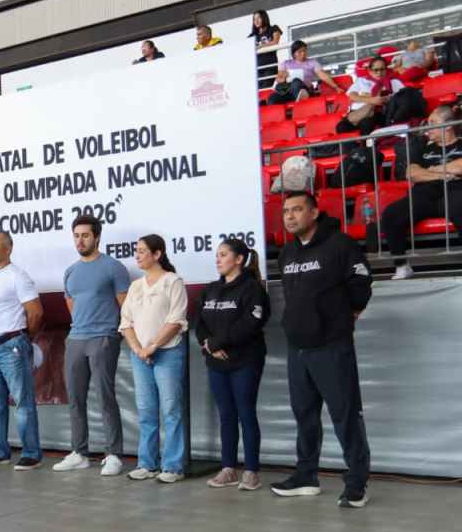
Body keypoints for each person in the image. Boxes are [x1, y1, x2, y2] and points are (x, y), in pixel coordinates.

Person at [272, 191, 373, 508]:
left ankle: (356, 484)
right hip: (298, 348)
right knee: (304, 416)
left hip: (332, 346)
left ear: (314, 213)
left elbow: (361, 283)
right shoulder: (286, 252)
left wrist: (347, 314)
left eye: (297, 210)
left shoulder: (340, 245)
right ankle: (306, 477)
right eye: (286, 211)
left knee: (345, 415)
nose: (290, 216)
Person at [53, 216, 131, 476]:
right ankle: (79, 452)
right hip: (77, 338)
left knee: (105, 397)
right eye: (76, 235)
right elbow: (72, 305)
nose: (80, 240)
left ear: (96, 237)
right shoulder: (71, 271)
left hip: (104, 337)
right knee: (75, 398)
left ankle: (114, 454)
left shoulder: (113, 267)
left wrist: (113, 334)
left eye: (85, 235)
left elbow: (127, 307)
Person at [194, 239, 270, 491]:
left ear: (238, 259)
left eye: (223, 254)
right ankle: (228, 468)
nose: (218, 259)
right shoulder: (210, 289)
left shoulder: (252, 289)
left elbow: (251, 323)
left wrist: (218, 342)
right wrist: (209, 345)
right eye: (217, 255)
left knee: (245, 413)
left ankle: (251, 471)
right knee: (226, 415)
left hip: (245, 360)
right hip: (216, 362)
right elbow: (200, 322)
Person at [119, 235, 188, 483]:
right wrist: (138, 348)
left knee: (171, 409)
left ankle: (173, 466)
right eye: (135, 251)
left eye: (142, 251)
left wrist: (152, 346)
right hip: (140, 356)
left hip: (167, 352)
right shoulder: (136, 286)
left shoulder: (172, 282)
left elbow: (175, 320)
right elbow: (126, 322)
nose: (137, 255)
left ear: (157, 254)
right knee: (146, 410)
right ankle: (147, 463)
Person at [0, 231, 44, 470]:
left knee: (23, 402)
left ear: (8, 248)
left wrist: (23, 339)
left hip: (12, 346)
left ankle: (31, 453)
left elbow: (35, 312)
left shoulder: (18, 276)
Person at [383, 105, 462, 280]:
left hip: (455, 191)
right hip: (425, 195)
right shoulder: (423, 148)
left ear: (448, 125)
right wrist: (447, 174)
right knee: (391, 213)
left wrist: (434, 169)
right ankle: (402, 266)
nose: (427, 126)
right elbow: (412, 173)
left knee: (459, 206)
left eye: (433, 122)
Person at [336, 56, 403, 135]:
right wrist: (371, 100)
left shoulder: (394, 82)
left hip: (379, 113)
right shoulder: (362, 81)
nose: (379, 72)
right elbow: (352, 96)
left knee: (367, 122)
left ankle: (366, 146)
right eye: (376, 70)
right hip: (358, 111)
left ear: (386, 69)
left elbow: (402, 97)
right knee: (341, 127)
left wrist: (387, 98)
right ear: (370, 71)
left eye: (382, 69)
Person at [268, 40, 344, 104]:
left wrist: (336, 87)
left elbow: (322, 75)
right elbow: (279, 79)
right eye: (300, 51)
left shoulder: (312, 62)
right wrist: (284, 77)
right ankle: (296, 100)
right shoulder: (286, 63)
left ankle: (300, 101)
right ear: (294, 54)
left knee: (296, 81)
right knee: (272, 98)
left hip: (305, 90)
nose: (303, 53)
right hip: (288, 91)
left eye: (304, 50)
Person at [250, 10, 282, 89]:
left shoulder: (273, 29)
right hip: (256, 68)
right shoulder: (252, 36)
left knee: (265, 89)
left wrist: (261, 46)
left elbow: (275, 42)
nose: (256, 21)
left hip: (270, 66)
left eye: (258, 18)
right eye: (254, 19)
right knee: (257, 92)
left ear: (264, 18)